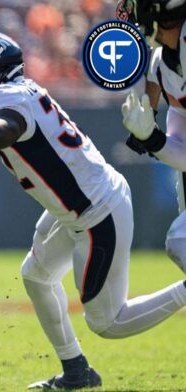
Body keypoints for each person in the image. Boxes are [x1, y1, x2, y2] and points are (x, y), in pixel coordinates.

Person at [0, 30, 186, 390]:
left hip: (95, 212)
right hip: (79, 207)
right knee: (36, 275)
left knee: (108, 323)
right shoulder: (13, 94)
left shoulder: (8, 101)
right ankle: (76, 371)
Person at [118, 0, 186, 274]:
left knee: (181, 240)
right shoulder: (164, 59)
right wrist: (151, 135)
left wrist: (152, 138)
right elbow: (180, 153)